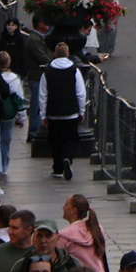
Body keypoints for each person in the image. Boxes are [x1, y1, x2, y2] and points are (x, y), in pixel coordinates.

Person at [42, 39, 89, 182]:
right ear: (68, 53)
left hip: (53, 111)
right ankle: (67, 157)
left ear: (55, 54)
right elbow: (80, 93)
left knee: (55, 139)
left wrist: (43, 114)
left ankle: (57, 168)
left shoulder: (47, 71)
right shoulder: (74, 70)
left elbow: (43, 94)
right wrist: (81, 111)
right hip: (71, 111)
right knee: (70, 138)